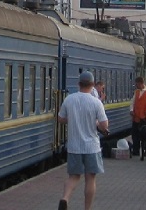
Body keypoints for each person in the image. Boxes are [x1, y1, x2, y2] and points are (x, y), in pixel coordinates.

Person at [57, 71, 109, 210]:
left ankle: (65, 198)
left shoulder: (69, 99)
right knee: (90, 178)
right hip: (91, 147)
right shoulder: (96, 102)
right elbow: (104, 125)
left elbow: (60, 119)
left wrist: (73, 119)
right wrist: (97, 123)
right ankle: (87, 208)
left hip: (74, 146)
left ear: (79, 84)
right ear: (92, 85)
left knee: (73, 177)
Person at [129, 76, 146, 158]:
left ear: (141, 83)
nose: (136, 85)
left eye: (137, 84)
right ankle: (136, 150)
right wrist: (131, 109)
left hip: (145, 118)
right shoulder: (136, 92)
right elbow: (132, 102)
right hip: (136, 117)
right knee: (135, 134)